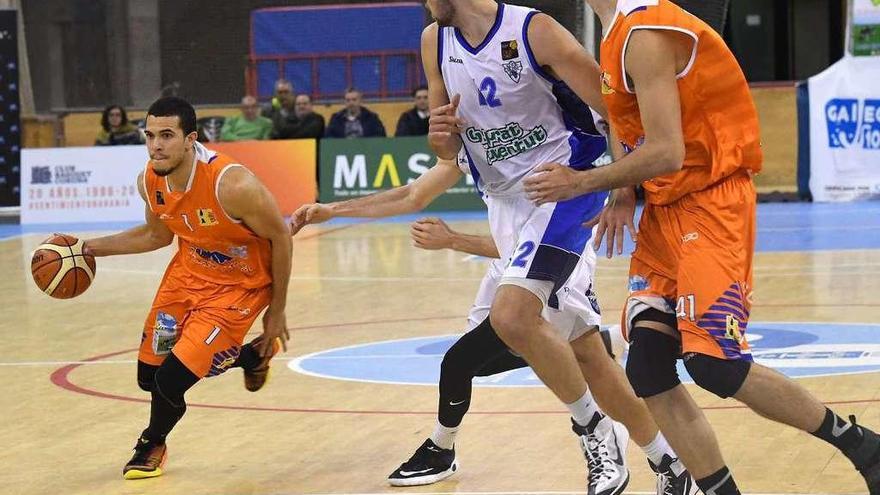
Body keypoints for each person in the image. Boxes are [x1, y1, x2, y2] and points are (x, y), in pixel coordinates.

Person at [522, 1, 880, 494]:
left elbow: (668, 150)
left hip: (710, 204)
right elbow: (628, 127)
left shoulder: (646, 31)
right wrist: (623, 192)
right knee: (647, 367)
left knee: (715, 363)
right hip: (663, 213)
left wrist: (584, 182)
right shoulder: (614, 32)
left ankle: (863, 446)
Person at [419, 1, 699, 492]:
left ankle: (594, 431)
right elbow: (446, 146)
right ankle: (669, 462)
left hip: (565, 183)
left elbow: (615, 109)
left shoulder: (536, 31)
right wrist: (439, 136)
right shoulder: (434, 41)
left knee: (511, 317)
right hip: (505, 203)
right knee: (587, 353)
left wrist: (619, 188)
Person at [290, 156, 695, 494]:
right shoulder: (474, 137)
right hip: (512, 267)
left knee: (469, 359)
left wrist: (453, 240)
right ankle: (666, 462)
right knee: (547, 362)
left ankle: (450, 445)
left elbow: (607, 126)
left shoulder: (543, 126)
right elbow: (413, 193)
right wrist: (332, 210)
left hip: (556, 254)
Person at [81, 96, 293, 480]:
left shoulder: (233, 184)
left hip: (237, 291)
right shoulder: (150, 180)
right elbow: (155, 235)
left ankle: (151, 444)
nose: (156, 145)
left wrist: (275, 313)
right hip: (185, 279)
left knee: (170, 381)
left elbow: (282, 237)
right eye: (150, 136)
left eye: (166, 135)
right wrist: (89, 248)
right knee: (148, 377)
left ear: (190, 139)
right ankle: (250, 357)